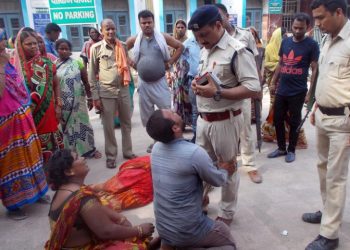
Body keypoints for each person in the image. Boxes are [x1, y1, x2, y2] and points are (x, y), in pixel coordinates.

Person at [190, 5, 261, 225]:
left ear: (219, 25)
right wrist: (198, 84)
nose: (200, 40)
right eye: (197, 36)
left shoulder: (237, 50)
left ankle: (226, 213)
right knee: (202, 167)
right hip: (203, 120)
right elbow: (210, 77)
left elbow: (253, 88)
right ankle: (201, 201)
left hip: (225, 121)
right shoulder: (206, 48)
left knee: (227, 167)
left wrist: (218, 92)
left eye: (204, 35)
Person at [146, 109, 236, 249]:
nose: (175, 111)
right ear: (175, 128)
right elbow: (218, 180)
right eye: (172, 113)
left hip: (164, 227)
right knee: (227, 241)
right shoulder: (194, 153)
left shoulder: (156, 149)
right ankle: (186, 243)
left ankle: (168, 243)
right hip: (189, 231)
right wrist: (225, 170)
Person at [302, 0, 350, 249]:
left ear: (339, 12)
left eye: (321, 18)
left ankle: (330, 235)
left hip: (343, 121)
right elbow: (325, 76)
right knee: (323, 170)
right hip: (323, 116)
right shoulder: (327, 39)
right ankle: (329, 213)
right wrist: (316, 105)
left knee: (335, 177)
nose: (317, 24)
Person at [45, 149, 157, 250]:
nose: (83, 158)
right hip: (83, 247)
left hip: (73, 243)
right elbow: (106, 231)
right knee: (129, 242)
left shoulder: (66, 189)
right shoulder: (82, 198)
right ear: (69, 172)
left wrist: (120, 218)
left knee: (113, 215)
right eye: (77, 158)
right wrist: (139, 230)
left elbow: (101, 211)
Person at [0, 29, 48, 220]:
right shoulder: (3, 63)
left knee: (32, 157)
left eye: (3, 40)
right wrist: (1, 67)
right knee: (12, 163)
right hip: (6, 124)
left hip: (23, 118)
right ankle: (14, 206)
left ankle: (37, 193)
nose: (3, 44)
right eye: (0, 41)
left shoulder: (9, 60)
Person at [215, 3, 263, 184]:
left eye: (221, 17)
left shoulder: (246, 35)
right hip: (223, 92)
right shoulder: (216, 38)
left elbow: (255, 61)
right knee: (227, 130)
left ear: (227, 16)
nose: (219, 21)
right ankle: (227, 164)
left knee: (245, 129)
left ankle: (250, 165)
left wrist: (257, 87)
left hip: (243, 90)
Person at [126, 10, 184, 153]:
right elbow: (120, 50)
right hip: (144, 84)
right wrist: (132, 64)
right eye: (143, 23)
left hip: (160, 82)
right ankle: (156, 141)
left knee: (167, 113)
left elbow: (180, 47)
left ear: (153, 22)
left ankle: (171, 140)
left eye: (149, 22)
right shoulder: (135, 39)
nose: (147, 25)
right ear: (140, 24)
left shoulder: (162, 37)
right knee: (148, 117)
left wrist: (170, 62)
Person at [267, 13, 319, 163]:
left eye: (300, 28)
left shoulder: (312, 45)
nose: (297, 31)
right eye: (295, 27)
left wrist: (310, 92)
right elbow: (281, 63)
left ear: (307, 27)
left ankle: (291, 150)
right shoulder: (285, 42)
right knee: (277, 119)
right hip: (282, 89)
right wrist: (273, 82)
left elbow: (315, 69)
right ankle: (282, 148)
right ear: (292, 26)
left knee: (295, 121)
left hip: (298, 91)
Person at [89, 19, 136, 169]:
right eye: (107, 29)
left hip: (123, 90)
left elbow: (127, 65)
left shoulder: (122, 46)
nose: (110, 32)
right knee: (108, 126)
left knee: (126, 123)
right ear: (102, 31)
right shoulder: (96, 48)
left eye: (113, 29)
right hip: (106, 92)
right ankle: (111, 155)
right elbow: (91, 74)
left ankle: (128, 152)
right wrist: (95, 97)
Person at [14, 28, 63, 163]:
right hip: (28, 116)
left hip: (48, 112)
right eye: (29, 44)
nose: (34, 46)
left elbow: (56, 84)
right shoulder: (16, 68)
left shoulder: (46, 63)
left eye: (35, 43)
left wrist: (58, 104)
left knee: (53, 153)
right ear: (20, 46)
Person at [55, 38, 102, 159]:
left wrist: (90, 98)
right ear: (57, 50)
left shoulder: (77, 63)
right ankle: (69, 154)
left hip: (78, 102)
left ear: (70, 51)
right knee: (66, 129)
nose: (64, 51)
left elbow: (86, 82)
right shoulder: (53, 66)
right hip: (63, 104)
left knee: (84, 125)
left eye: (67, 49)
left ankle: (89, 150)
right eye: (61, 49)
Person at [170, 19, 192, 128]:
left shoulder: (189, 41)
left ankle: (188, 121)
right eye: (178, 27)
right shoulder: (171, 41)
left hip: (186, 74)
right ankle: (180, 123)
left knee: (186, 98)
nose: (180, 29)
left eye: (182, 27)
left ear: (186, 29)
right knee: (177, 98)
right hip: (175, 74)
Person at [183, 36, 201, 142]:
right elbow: (180, 50)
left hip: (208, 80)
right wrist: (187, 60)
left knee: (206, 110)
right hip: (192, 79)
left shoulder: (209, 39)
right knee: (195, 110)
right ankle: (196, 136)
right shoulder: (189, 42)